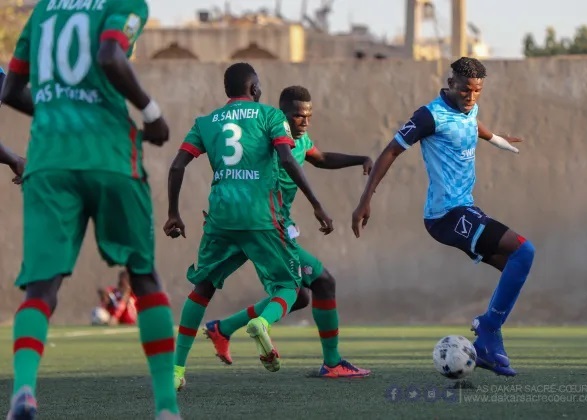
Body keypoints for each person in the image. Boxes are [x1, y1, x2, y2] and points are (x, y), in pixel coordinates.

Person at [1, 1, 180, 419]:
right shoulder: (124, 4)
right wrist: (153, 115)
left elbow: (8, 90)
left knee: (41, 288)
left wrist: (58, 107)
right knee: (144, 276)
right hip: (111, 157)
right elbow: (110, 55)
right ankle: (167, 408)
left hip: (48, 162)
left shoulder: (44, 10)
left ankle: (24, 392)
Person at [351, 57, 535, 377]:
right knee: (524, 250)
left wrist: (499, 140)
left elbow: (474, 125)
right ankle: (489, 328)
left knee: (513, 267)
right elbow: (390, 151)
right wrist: (365, 199)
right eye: (465, 89)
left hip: (466, 209)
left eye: (477, 91)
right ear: (450, 83)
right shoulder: (429, 116)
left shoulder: (470, 109)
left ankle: (489, 344)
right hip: (445, 215)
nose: (471, 96)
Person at [164, 63, 334, 391]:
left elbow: (177, 165)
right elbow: (287, 158)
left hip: (221, 219)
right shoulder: (271, 117)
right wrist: (317, 204)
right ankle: (260, 322)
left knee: (202, 289)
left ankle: (174, 370)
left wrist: (173, 213)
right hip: (263, 219)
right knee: (291, 287)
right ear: (254, 88)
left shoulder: (205, 122)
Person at [203, 85, 372, 378]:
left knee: (302, 296)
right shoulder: (268, 140)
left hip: (280, 229)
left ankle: (223, 328)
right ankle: (331, 363)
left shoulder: (301, 140)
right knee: (322, 283)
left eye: (308, 116)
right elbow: (238, 168)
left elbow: (320, 158)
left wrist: (360, 159)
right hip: (266, 229)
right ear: (281, 115)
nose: (304, 121)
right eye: (297, 116)